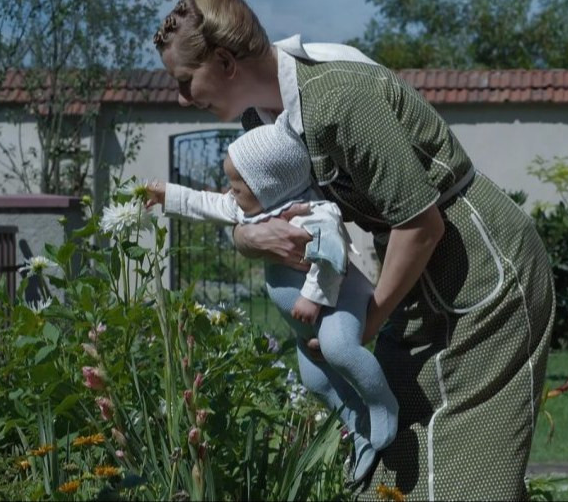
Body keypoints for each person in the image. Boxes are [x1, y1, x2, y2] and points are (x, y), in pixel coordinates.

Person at [152, 0, 555, 501]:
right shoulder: (262, 121)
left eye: (186, 82)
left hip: (481, 271)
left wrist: (367, 323)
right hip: (412, 277)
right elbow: (252, 216)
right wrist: (250, 238)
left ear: (226, 62)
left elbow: (421, 225)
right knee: (393, 460)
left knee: (471, 477)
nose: (183, 99)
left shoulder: (339, 99)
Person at [145, 113, 398, 482]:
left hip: (337, 303)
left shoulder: (314, 213)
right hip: (303, 324)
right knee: (316, 382)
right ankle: (357, 425)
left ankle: (382, 405)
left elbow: (333, 257)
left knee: (341, 349)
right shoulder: (255, 208)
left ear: (268, 185)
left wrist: (312, 297)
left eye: (237, 185)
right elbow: (207, 203)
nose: (230, 192)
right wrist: (167, 194)